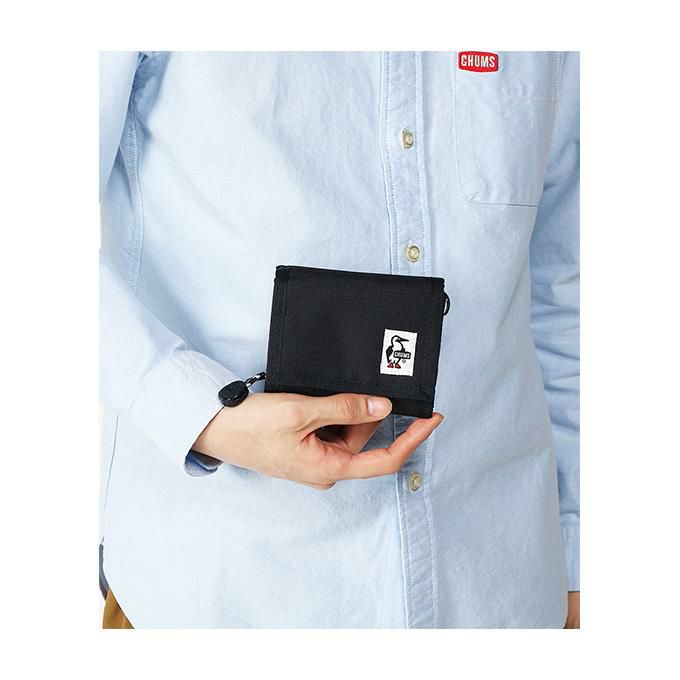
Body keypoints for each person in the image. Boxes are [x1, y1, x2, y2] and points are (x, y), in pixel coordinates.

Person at [100, 51, 579, 628]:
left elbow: (564, 289)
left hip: (504, 591)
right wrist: (204, 417)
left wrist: (579, 558)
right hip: (228, 591)